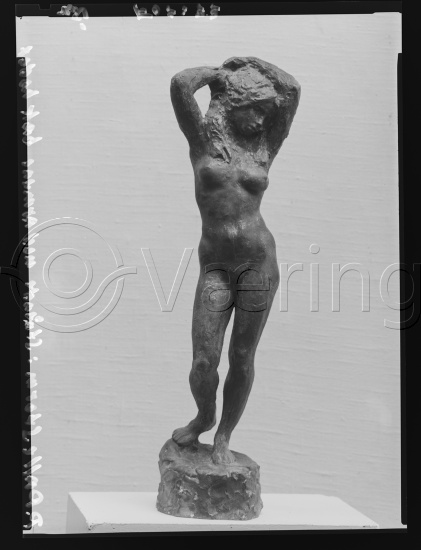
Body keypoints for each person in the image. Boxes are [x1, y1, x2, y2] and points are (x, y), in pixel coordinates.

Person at [170, 57, 300, 464]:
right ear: (233, 103)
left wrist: (251, 67)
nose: (261, 120)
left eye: (266, 112)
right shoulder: (203, 142)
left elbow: (292, 91)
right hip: (216, 269)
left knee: (242, 357)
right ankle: (204, 416)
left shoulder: (264, 149)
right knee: (203, 361)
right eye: (254, 109)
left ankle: (224, 435)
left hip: (258, 264)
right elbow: (181, 85)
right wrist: (221, 75)